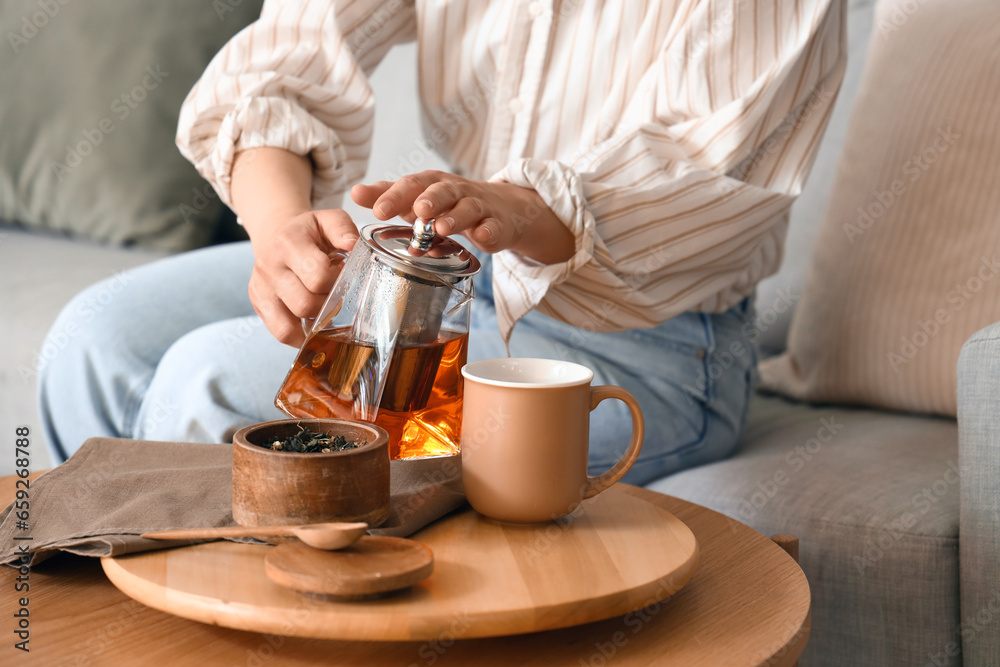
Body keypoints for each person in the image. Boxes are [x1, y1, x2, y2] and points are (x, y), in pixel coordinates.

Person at [39, 0, 846, 486]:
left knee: (203, 382)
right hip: (462, 270)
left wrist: (523, 208)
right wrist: (280, 227)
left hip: (648, 345)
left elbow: (708, 170)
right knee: (94, 339)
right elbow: (288, 57)